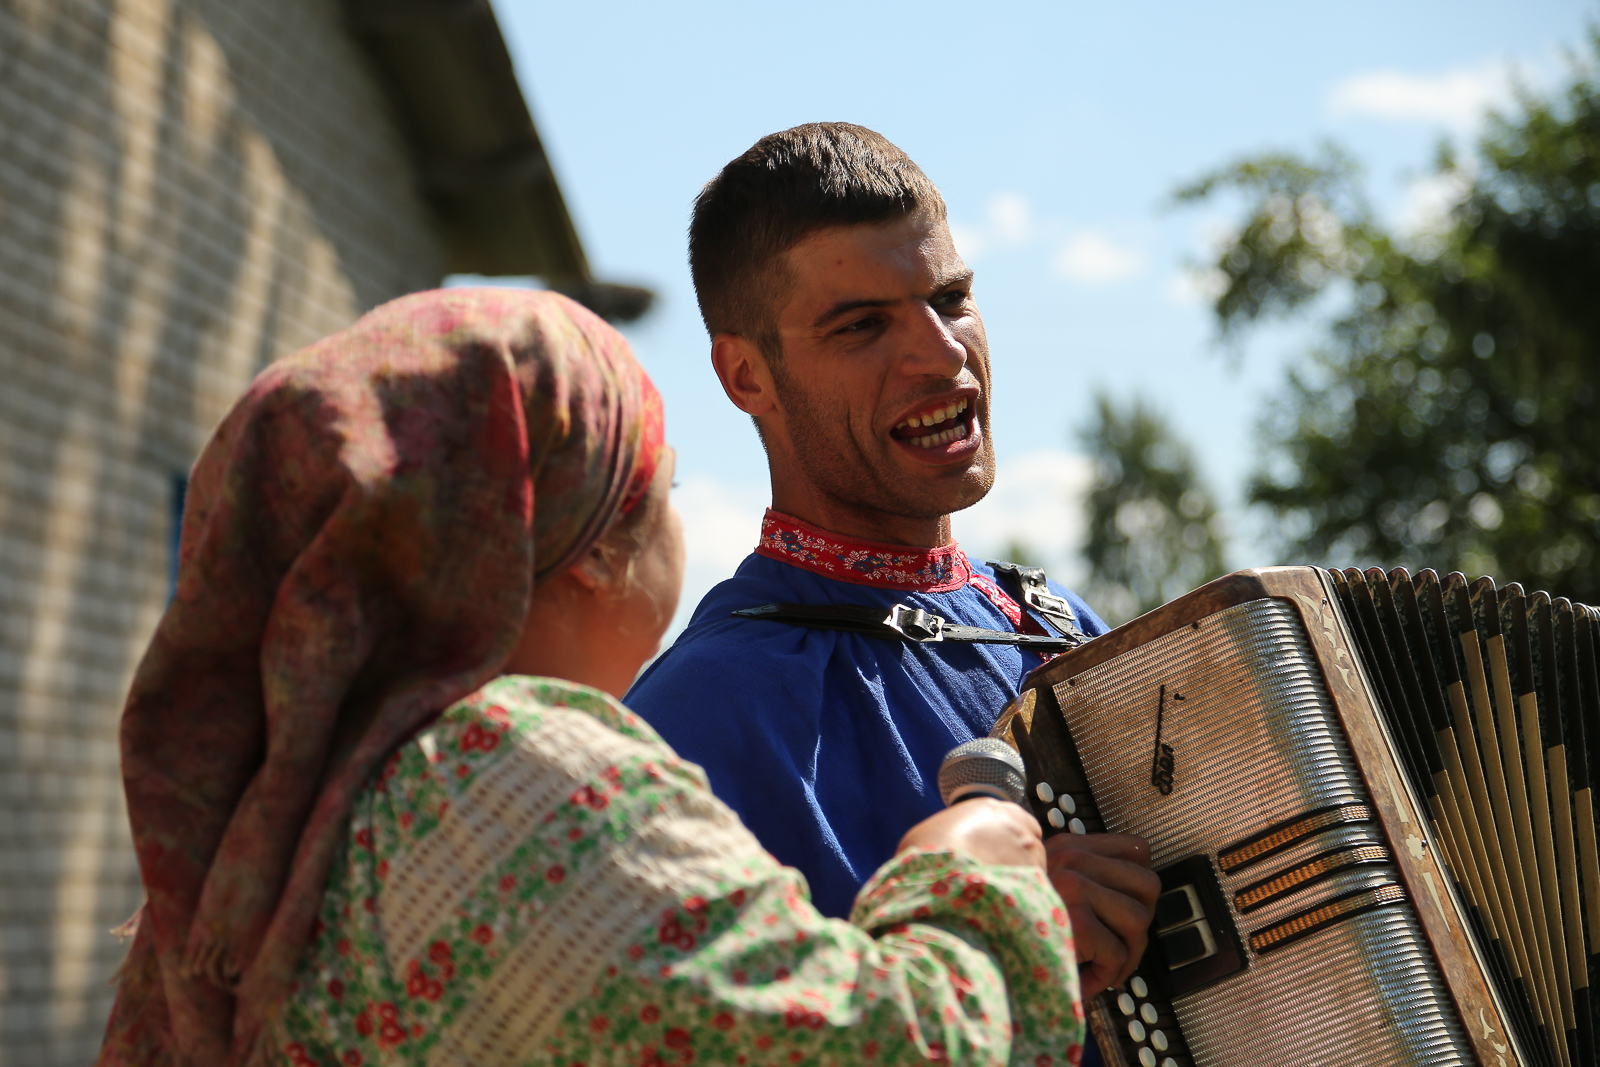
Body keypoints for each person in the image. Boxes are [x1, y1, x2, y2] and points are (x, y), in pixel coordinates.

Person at [95, 288, 1087, 1067]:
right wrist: (976, 866)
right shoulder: (495, 779)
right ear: (592, 546)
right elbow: (893, 1046)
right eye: (663, 486)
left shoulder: (289, 832)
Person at [625, 125, 1161, 1028]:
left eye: (951, 298)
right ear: (746, 375)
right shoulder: (694, 721)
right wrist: (1006, 939)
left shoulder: (1060, 625)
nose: (942, 354)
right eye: (862, 325)